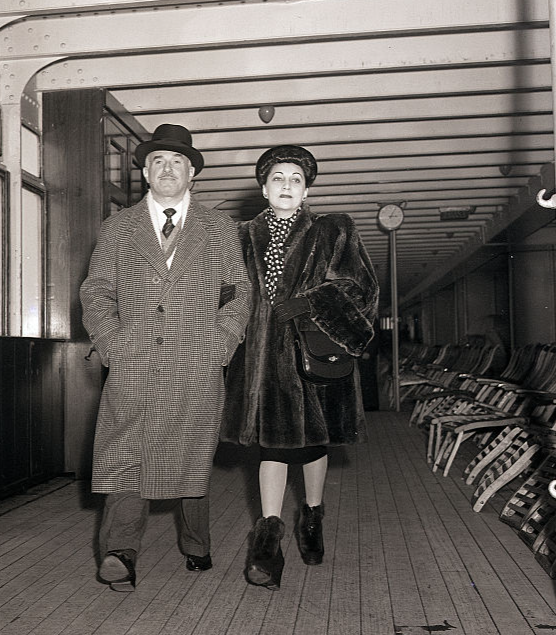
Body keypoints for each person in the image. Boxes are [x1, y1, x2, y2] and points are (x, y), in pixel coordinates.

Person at [80, 123, 251, 592]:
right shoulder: (118, 228)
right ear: (147, 172)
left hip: (196, 362)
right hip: (133, 363)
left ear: (192, 172)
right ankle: (119, 553)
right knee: (124, 455)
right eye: (159, 161)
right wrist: (113, 344)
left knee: (192, 459)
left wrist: (220, 344)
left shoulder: (218, 228)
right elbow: (96, 292)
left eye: (178, 162)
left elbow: (240, 294)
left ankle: (197, 543)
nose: (168, 169)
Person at [221, 144, 378, 590]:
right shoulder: (241, 236)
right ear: (263, 187)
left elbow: (362, 287)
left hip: (314, 354)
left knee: (312, 444)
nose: (286, 185)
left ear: (306, 189)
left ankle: (311, 516)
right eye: (277, 178)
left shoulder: (334, 229)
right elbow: (226, 292)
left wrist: (309, 303)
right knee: (271, 446)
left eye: (295, 179)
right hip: (263, 359)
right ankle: (268, 540)